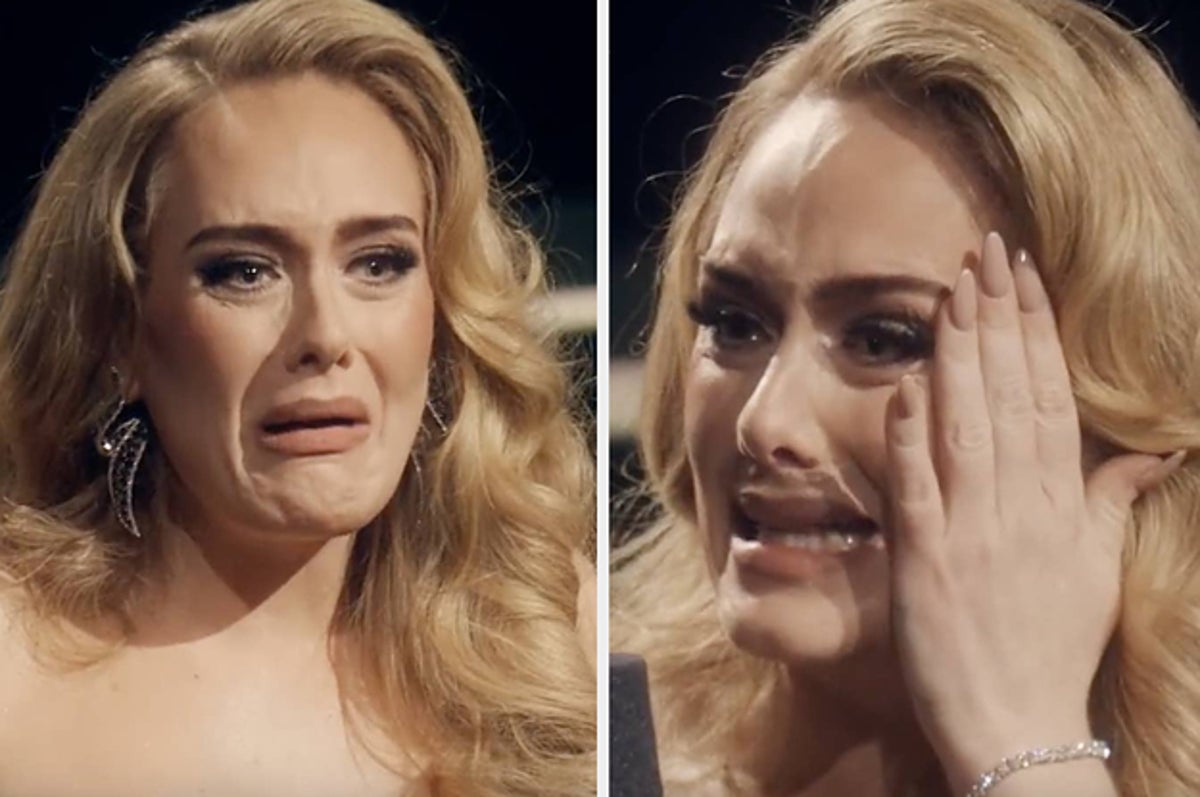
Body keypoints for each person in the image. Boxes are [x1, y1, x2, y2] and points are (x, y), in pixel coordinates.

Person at [0, 1, 595, 796]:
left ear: (442, 313)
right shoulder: (14, 668)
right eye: (244, 271)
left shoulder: (554, 632)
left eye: (378, 263)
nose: (325, 335)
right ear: (119, 334)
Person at [612, 0, 1200, 795]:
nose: (765, 420)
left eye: (885, 338)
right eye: (735, 322)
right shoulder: (589, 744)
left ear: (1104, 393)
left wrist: (1026, 742)